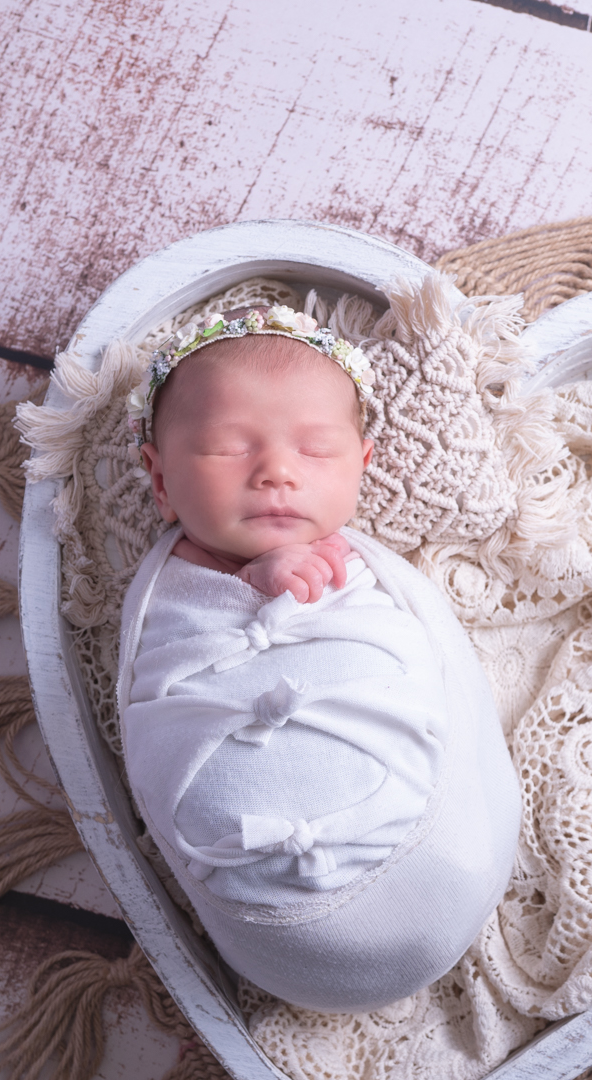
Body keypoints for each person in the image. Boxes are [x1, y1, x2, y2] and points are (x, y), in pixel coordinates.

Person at [115, 304, 519, 1015]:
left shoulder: (361, 572)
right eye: (229, 447)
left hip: (421, 862)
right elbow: (168, 684)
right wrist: (254, 584)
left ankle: (407, 876)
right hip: (264, 881)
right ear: (159, 476)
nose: (275, 471)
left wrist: (293, 583)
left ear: (362, 465)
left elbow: (390, 658)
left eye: (316, 449)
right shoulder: (166, 593)